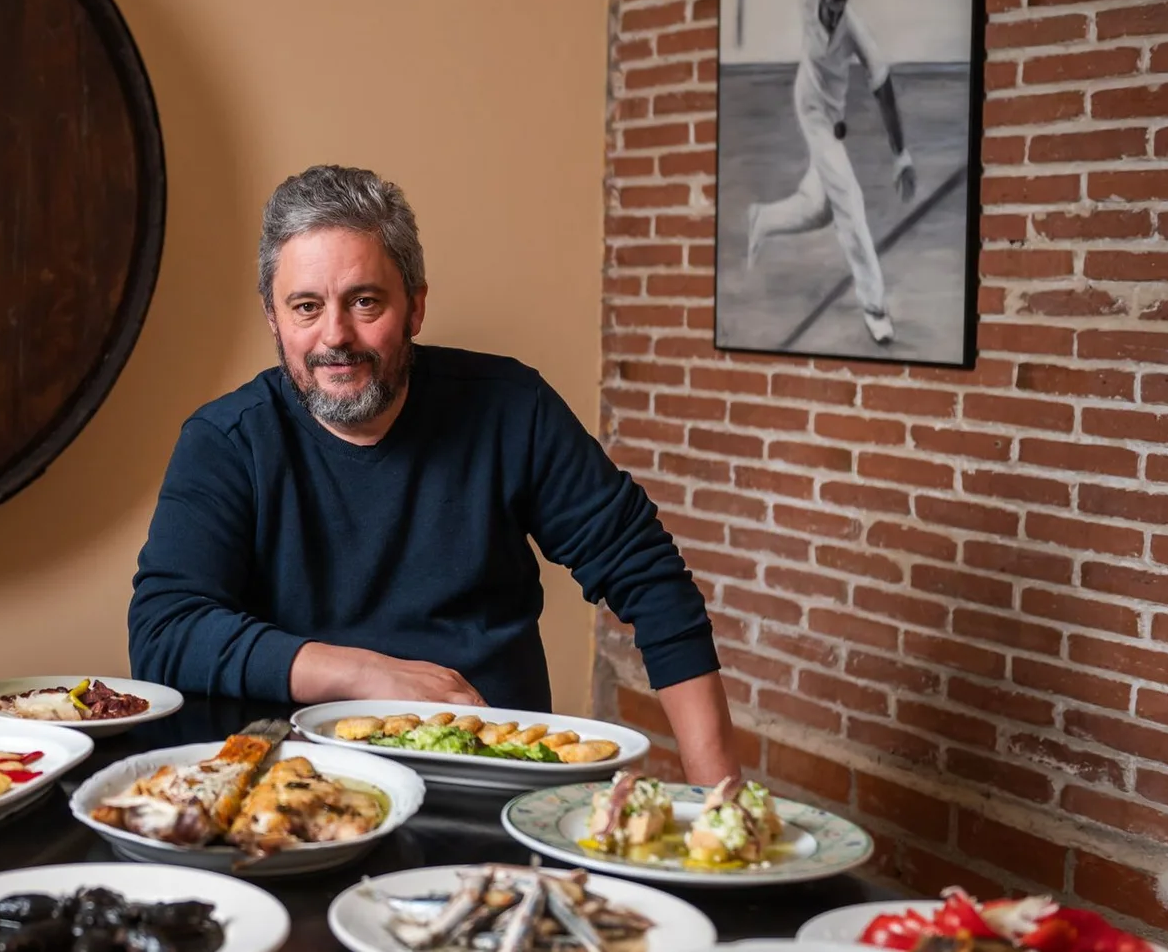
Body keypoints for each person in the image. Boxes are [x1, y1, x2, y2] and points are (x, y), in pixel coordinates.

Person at [126, 164, 740, 784]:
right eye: (306, 307)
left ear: (415, 306)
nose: (334, 335)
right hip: (297, 782)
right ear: (273, 318)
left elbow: (651, 580)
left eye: (365, 301)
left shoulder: (512, 408)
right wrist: (363, 673)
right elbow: (165, 629)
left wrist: (721, 794)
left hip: (495, 773)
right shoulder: (227, 440)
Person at [746, 0, 916, 345]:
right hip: (810, 109)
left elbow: (883, 88)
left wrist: (901, 156)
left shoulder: (854, 29)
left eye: (839, 10)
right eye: (829, 7)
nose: (833, 16)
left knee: (820, 208)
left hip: (833, 116)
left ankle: (762, 219)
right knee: (850, 204)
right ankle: (875, 308)